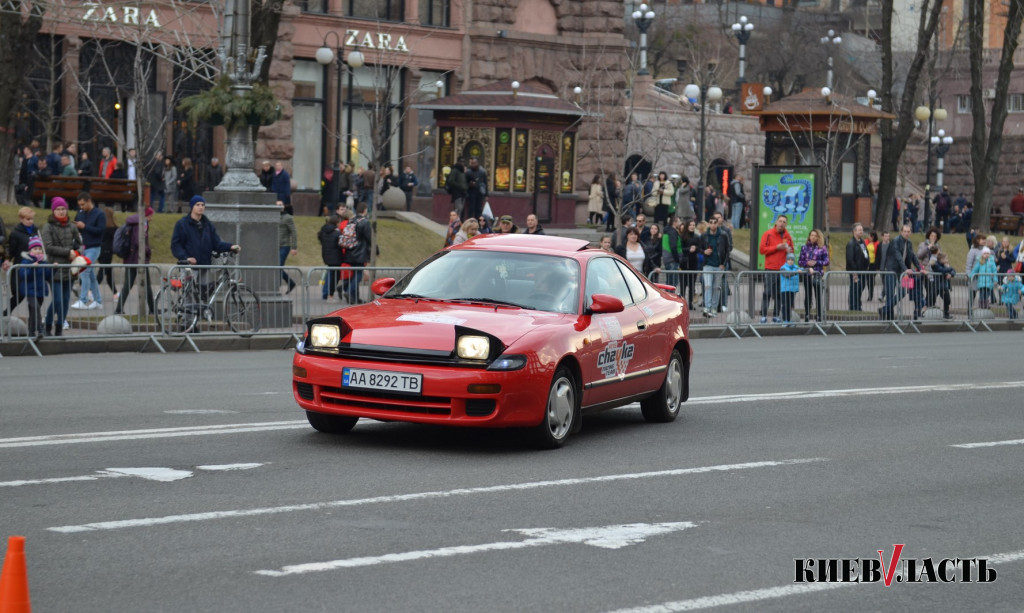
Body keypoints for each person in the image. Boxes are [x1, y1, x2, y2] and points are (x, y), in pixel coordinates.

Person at [41, 197, 84, 336]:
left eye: (63, 209)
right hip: (55, 268)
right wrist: (68, 252)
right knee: (57, 300)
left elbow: (80, 244)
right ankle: (48, 325)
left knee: (66, 300)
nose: (61, 211)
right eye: (58, 209)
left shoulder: (72, 226)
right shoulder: (48, 226)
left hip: (70, 268)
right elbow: (48, 247)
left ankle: (59, 326)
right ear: (53, 211)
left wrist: (76, 252)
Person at [171, 195, 240, 267]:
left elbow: (216, 243)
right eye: (197, 205)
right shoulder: (182, 224)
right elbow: (176, 245)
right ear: (192, 207)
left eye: (202, 205)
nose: (200, 207)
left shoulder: (208, 224)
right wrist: (185, 258)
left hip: (204, 266)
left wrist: (230, 247)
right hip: (189, 266)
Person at [114, 207, 157, 316]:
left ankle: (119, 308)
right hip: (137, 258)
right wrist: (148, 250)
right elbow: (139, 241)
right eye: (150, 215)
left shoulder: (134, 223)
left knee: (128, 285)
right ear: (146, 215)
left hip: (131, 258)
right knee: (146, 285)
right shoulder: (141, 224)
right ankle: (152, 310)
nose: (151, 218)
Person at [880, 223, 924, 321]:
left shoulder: (909, 243)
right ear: (901, 232)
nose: (906, 233)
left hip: (901, 271)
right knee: (890, 294)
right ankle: (889, 317)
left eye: (908, 231)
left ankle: (884, 310)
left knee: (903, 292)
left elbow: (913, 256)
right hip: (891, 270)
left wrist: (920, 268)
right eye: (905, 231)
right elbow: (898, 256)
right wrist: (905, 269)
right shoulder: (896, 241)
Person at [3, 207, 40, 317]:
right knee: (19, 294)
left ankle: (33, 324)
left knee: (34, 297)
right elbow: (11, 249)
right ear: (21, 219)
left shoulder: (36, 231)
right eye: (28, 219)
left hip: (34, 267)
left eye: (32, 219)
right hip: (20, 267)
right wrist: (7, 259)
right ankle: (5, 313)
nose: (30, 221)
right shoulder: (15, 233)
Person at [71, 192, 106, 310]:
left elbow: (100, 231)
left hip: (94, 247)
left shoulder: (99, 214)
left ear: (89, 201)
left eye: (83, 204)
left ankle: (83, 299)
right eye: (79, 205)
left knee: (84, 271)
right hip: (83, 247)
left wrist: (84, 227)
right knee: (90, 275)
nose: (81, 207)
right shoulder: (80, 214)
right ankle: (98, 300)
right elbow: (77, 229)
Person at [758, 214, 794, 323]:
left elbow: (792, 251)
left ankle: (776, 315)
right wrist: (776, 247)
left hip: (783, 269)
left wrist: (789, 251)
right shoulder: (768, 234)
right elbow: (762, 250)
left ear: (786, 224)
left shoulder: (787, 236)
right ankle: (763, 315)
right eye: (780, 221)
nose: (782, 223)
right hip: (770, 268)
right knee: (767, 292)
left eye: (784, 222)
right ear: (776, 222)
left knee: (779, 293)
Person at [16, 236, 52, 339]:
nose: (38, 251)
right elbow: (23, 275)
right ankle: (40, 328)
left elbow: (48, 276)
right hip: (30, 290)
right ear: (30, 250)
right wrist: (32, 268)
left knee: (34, 311)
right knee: (35, 307)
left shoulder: (43, 262)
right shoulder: (26, 261)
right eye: (35, 249)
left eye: (39, 249)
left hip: (40, 289)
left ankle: (31, 332)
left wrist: (53, 269)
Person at [699, 216, 731, 318]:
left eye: (715, 223)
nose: (713, 224)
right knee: (708, 286)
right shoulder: (704, 235)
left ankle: (714, 307)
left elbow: (727, 250)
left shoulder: (723, 235)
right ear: (708, 224)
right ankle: (707, 307)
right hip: (708, 264)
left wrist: (724, 264)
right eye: (711, 222)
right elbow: (699, 247)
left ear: (718, 224)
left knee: (716, 288)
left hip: (719, 265)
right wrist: (704, 251)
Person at [342, 202, 373, 304]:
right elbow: (370, 238)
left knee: (355, 274)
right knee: (359, 274)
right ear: (365, 210)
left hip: (350, 252)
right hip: (360, 253)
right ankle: (349, 292)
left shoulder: (352, 221)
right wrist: (375, 249)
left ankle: (355, 298)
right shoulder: (364, 222)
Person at [798, 228, 829, 321]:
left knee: (818, 295)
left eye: (815, 236)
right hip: (807, 274)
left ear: (818, 237)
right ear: (809, 237)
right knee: (808, 295)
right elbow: (800, 261)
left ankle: (819, 315)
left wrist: (816, 262)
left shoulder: (822, 248)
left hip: (817, 274)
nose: (813, 237)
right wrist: (807, 263)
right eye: (812, 235)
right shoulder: (804, 247)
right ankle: (807, 314)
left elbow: (826, 261)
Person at [317, 214, 344, 300]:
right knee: (335, 276)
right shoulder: (337, 233)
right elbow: (341, 244)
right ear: (337, 222)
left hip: (327, 256)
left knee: (331, 274)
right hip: (336, 257)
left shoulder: (323, 231)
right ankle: (330, 294)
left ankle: (327, 293)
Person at [845, 223, 869, 311]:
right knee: (854, 289)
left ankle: (858, 305)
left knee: (860, 288)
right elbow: (850, 259)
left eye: (862, 230)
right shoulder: (851, 243)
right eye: (859, 230)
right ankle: (853, 306)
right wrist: (854, 271)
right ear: (854, 232)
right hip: (855, 271)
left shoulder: (862, 242)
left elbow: (865, 254)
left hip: (863, 270)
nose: (861, 231)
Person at [96, 206, 119, 298]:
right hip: (108, 252)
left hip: (100, 251)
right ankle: (91, 290)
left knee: (108, 272)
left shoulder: (101, 227)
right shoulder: (114, 228)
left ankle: (115, 293)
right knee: (103, 271)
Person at [679, 218, 700, 308]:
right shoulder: (682, 237)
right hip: (684, 262)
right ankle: (683, 302)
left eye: (693, 225)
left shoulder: (696, 237)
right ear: (687, 226)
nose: (692, 227)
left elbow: (700, 248)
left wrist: (696, 248)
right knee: (683, 284)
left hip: (693, 262)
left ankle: (690, 303)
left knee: (692, 284)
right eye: (690, 225)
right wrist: (688, 249)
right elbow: (680, 249)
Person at [278, 200, 298, 294]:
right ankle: (290, 283)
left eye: (281, 204)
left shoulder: (288, 218)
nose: (279, 206)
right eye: (277, 205)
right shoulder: (272, 217)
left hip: (284, 246)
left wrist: (294, 247)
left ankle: (278, 287)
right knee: (277, 267)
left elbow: (293, 232)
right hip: (274, 246)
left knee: (278, 266)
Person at [930, 251, 956, 320]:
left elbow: (954, 270)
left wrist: (951, 274)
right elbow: (942, 270)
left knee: (947, 300)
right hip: (937, 286)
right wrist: (949, 268)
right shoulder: (936, 265)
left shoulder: (945, 265)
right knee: (931, 300)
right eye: (945, 259)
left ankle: (946, 313)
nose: (947, 260)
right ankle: (927, 312)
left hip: (944, 286)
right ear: (941, 259)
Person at [779, 253, 802, 325]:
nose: (790, 261)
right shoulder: (783, 268)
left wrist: (809, 269)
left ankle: (788, 320)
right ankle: (785, 320)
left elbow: (803, 269)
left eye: (792, 259)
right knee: (785, 305)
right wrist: (795, 272)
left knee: (790, 305)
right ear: (786, 260)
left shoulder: (796, 267)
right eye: (789, 259)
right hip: (785, 289)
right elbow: (786, 275)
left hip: (792, 290)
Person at [464, 157, 488, 221]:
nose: (473, 165)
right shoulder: (468, 172)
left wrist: (486, 195)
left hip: (480, 193)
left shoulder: (482, 171)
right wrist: (469, 184)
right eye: (472, 163)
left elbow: (485, 183)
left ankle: (478, 224)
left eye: (474, 163)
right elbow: (464, 183)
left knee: (479, 209)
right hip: (471, 193)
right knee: (471, 209)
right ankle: (469, 223)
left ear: (478, 163)